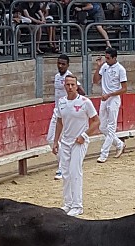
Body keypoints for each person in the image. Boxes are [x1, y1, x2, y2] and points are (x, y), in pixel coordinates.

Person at [52, 74, 100, 216]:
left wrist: (84, 135)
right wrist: (56, 141)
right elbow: (59, 122)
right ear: (64, 86)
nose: (70, 87)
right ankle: (68, 203)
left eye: (73, 85)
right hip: (65, 142)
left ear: (77, 85)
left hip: (79, 141)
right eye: (68, 85)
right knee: (65, 172)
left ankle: (77, 205)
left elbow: (96, 121)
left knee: (75, 171)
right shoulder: (61, 102)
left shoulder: (85, 102)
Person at [47, 54, 85, 180]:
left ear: (68, 65)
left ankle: (62, 168)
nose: (60, 66)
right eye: (59, 63)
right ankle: (64, 164)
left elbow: (82, 92)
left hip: (67, 113)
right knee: (51, 139)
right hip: (57, 111)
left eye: (63, 64)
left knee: (63, 141)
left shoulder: (70, 78)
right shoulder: (57, 76)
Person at [93, 47, 127, 163]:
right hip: (105, 98)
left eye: (108, 58)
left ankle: (104, 154)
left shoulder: (121, 69)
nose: (106, 60)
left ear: (114, 58)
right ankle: (119, 144)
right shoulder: (104, 67)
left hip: (113, 99)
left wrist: (110, 94)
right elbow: (95, 80)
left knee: (111, 127)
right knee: (102, 127)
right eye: (105, 57)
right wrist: (98, 66)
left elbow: (124, 89)